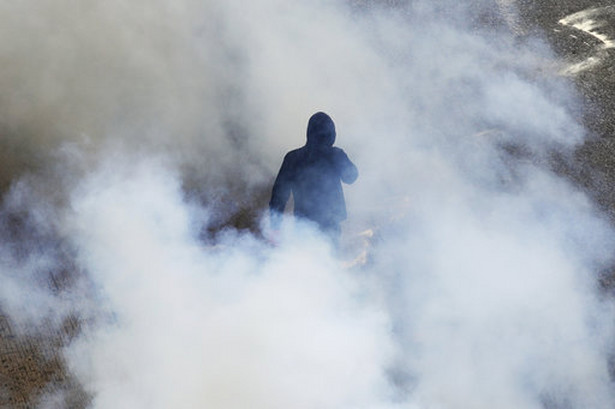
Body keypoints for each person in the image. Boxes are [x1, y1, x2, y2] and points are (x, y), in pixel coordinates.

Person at [269, 111, 358, 244]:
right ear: (331, 133)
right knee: (328, 262)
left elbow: (279, 194)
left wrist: (275, 225)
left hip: (303, 225)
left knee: (306, 261)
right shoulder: (335, 154)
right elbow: (351, 177)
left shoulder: (292, 158)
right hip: (330, 223)